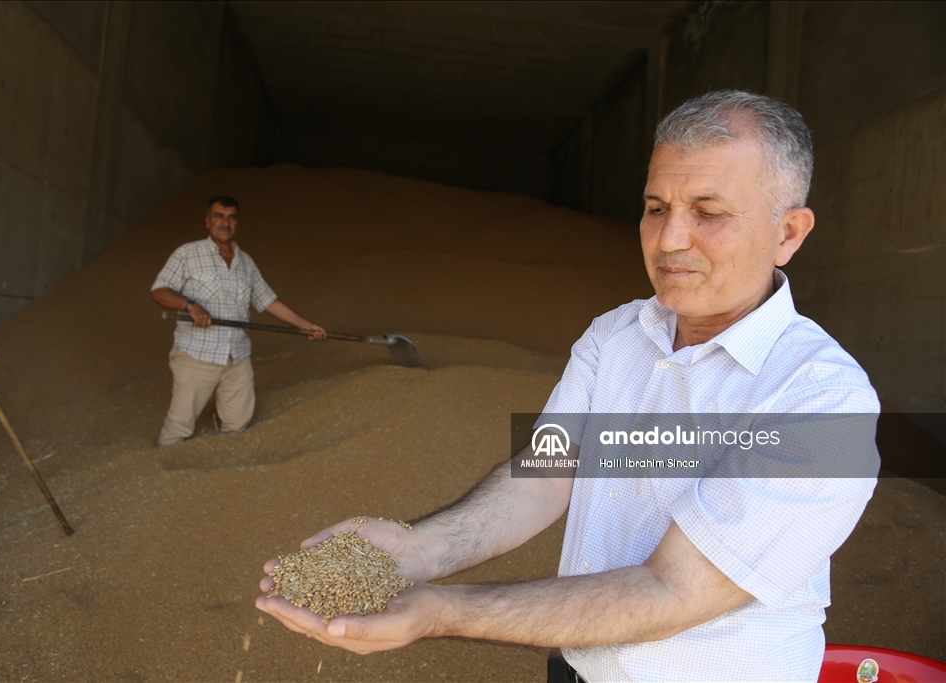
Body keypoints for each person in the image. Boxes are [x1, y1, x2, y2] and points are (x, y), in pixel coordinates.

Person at [256, 92, 880, 682]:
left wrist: (439, 609)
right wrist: (420, 551)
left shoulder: (824, 402)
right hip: (577, 667)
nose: (669, 240)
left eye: (709, 213)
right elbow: (548, 471)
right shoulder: (617, 336)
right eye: (656, 208)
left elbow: (674, 588)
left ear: (788, 233)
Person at [151, 195, 326, 447]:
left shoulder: (246, 263)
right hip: (197, 355)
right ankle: (161, 472)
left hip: (237, 358)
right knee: (179, 426)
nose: (226, 222)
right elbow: (159, 292)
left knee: (237, 426)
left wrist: (305, 325)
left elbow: (268, 301)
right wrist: (190, 306)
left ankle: (225, 481)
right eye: (219, 216)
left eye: (232, 217)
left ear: (237, 223)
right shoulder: (187, 253)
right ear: (207, 221)